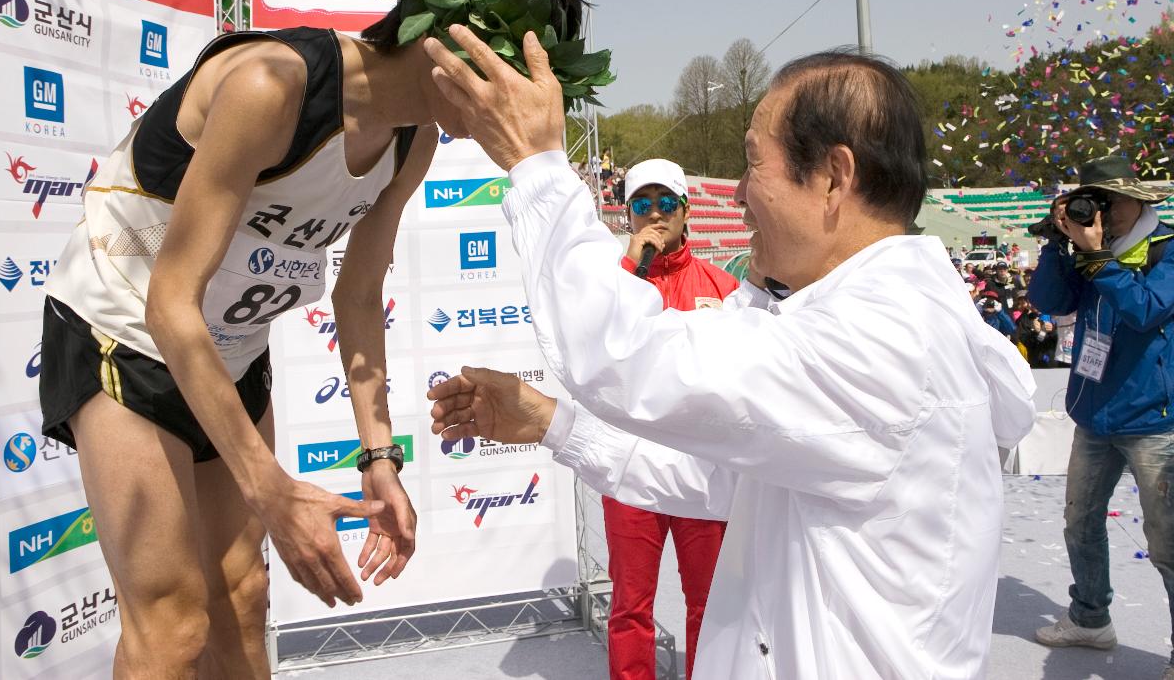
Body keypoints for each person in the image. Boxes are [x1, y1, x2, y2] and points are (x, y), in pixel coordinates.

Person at [38, 0, 587, 678]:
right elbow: (170, 302)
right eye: (519, 71)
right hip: (126, 330)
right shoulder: (274, 85)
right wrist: (271, 490)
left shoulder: (412, 136)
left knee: (244, 595)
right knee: (173, 625)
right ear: (457, 42)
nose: (528, 101)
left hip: (227, 349)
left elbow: (359, 292)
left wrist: (379, 457)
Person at [422, 38, 1036, 678]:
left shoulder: (886, 341)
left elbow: (623, 356)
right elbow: (721, 481)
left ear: (832, 176)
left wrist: (538, 165)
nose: (738, 192)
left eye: (753, 164)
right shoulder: (889, 325)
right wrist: (552, 423)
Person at [1026, 155, 1174, 676]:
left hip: (1155, 421)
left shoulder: (1167, 251)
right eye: (1097, 201)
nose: (1103, 213)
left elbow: (1146, 311)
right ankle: (1090, 619)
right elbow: (1047, 300)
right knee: (1080, 523)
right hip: (1094, 415)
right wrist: (1056, 241)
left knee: (1168, 543)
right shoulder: (1091, 250)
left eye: (1111, 202)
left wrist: (1097, 259)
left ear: (1139, 202)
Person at [604, 158, 737, 680]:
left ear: (686, 210)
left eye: (665, 204)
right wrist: (629, 271)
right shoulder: (612, 284)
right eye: (641, 204)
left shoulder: (723, 287)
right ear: (628, 215)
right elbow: (596, 349)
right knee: (630, 609)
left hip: (701, 473)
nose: (654, 215)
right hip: (630, 471)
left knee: (708, 604)